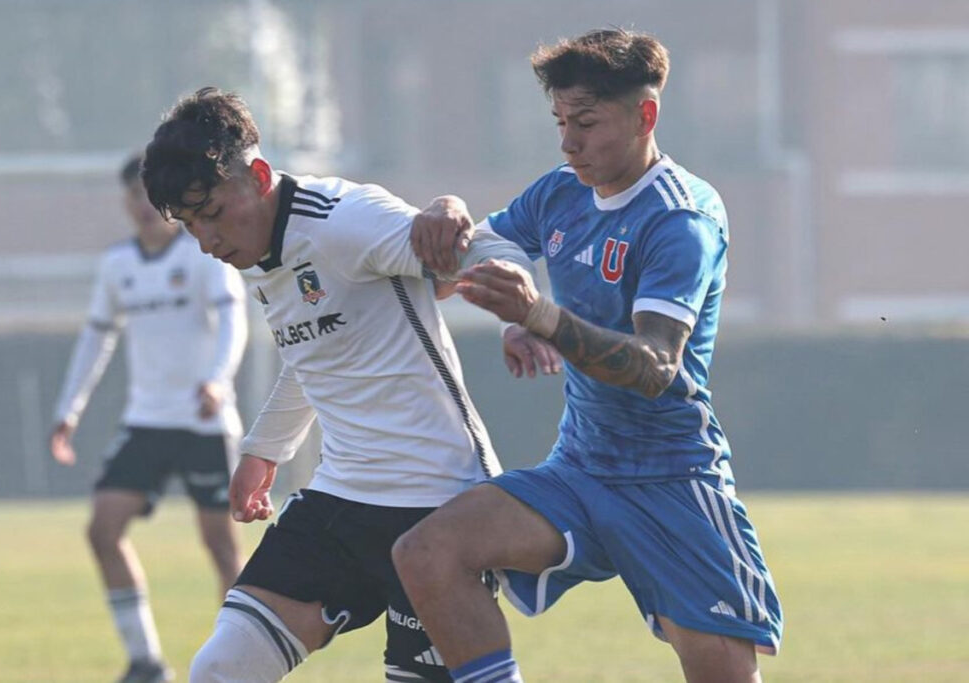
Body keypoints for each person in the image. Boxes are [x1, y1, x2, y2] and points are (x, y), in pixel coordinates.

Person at [394, 29, 783, 683]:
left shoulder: (680, 220)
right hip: (579, 469)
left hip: (673, 482)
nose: (568, 141)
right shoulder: (561, 191)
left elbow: (657, 367)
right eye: (560, 121)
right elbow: (489, 243)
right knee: (427, 552)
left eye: (586, 122)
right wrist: (450, 212)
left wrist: (539, 316)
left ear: (644, 115)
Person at [140, 87, 548, 683]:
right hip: (341, 502)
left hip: (436, 505)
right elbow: (318, 347)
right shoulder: (256, 247)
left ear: (256, 175)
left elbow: (482, 245)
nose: (206, 240)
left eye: (212, 213)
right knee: (221, 668)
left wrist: (526, 316)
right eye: (190, 223)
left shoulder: (344, 220)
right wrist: (263, 452)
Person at [51, 154, 249, 683]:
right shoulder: (119, 264)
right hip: (146, 422)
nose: (139, 206)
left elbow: (234, 324)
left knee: (221, 547)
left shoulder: (203, 252)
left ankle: (238, 664)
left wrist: (216, 380)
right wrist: (68, 411)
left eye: (146, 195)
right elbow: (97, 337)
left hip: (204, 423)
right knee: (102, 528)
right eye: (131, 196)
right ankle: (145, 661)